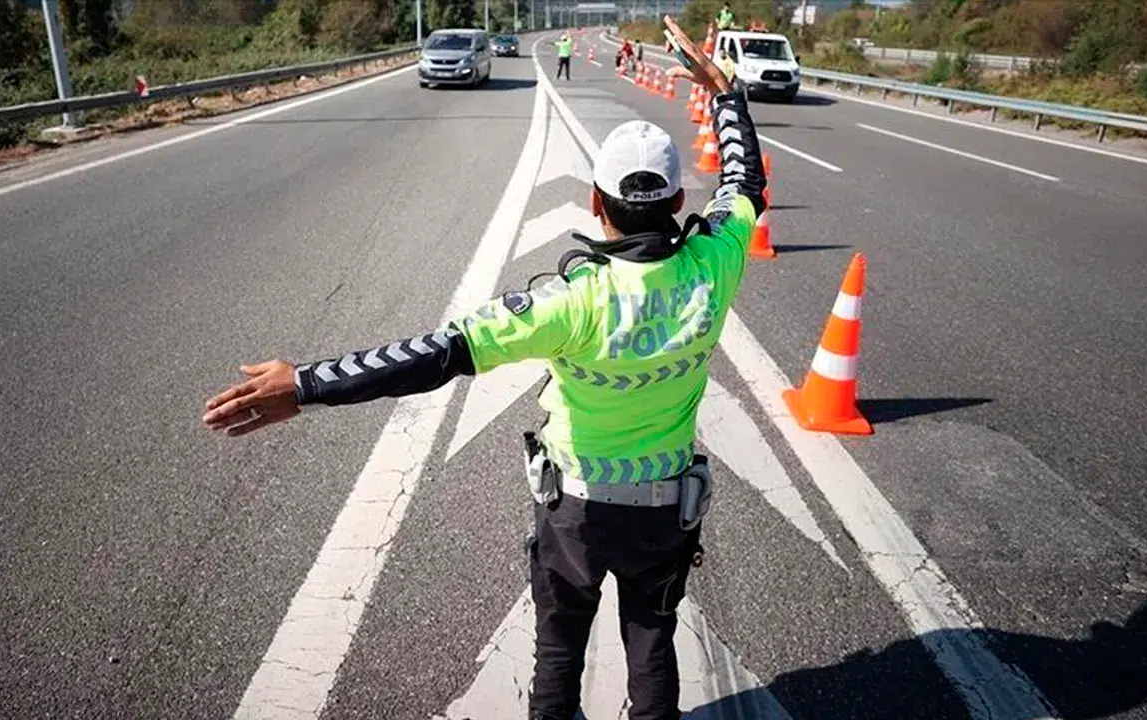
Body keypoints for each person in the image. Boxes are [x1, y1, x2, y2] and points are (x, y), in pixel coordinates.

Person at [200, 15, 765, 720]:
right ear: (680, 203)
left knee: (559, 655)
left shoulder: (569, 303)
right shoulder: (717, 261)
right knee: (652, 641)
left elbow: (432, 355)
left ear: (597, 204)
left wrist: (306, 384)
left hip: (577, 513)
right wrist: (725, 94)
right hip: (664, 511)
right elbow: (745, 179)